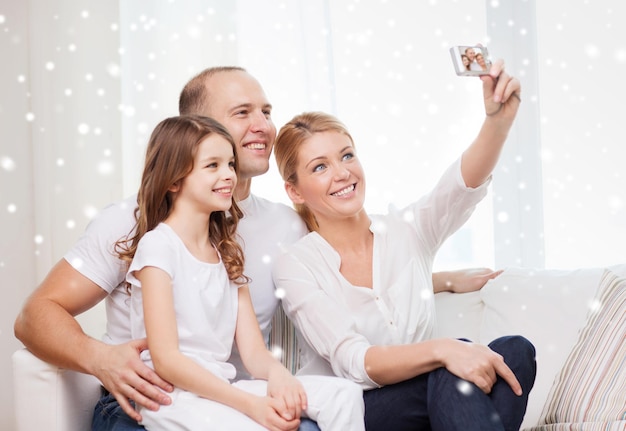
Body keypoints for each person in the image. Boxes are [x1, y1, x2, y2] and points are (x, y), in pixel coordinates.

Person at [14, 66, 501, 431]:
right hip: (152, 402)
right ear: (193, 133)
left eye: (266, 111)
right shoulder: (132, 223)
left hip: (236, 394)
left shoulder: (286, 225)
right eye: (242, 112)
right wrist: (100, 358)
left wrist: (438, 278)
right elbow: (35, 316)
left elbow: (345, 264)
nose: (264, 125)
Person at [271, 59, 536, 431]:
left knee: (515, 351)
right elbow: (354, 361)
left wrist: (497, 122)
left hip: (436, 398)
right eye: (320, 167)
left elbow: (459, 190)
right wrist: (443, 349)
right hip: (360, 410)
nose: (342, 172)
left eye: (347, 155)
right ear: (294, 190)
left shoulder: (405, 232)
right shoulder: (296, 265)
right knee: (451, 364)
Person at [116, 114, 364, 430]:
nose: (229, 175)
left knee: (343, 395)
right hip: (173, 398)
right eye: (212, 165)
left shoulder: (227, 252)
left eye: (230, 164)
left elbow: (253, 353)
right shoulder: (158, 247)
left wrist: (279, 377)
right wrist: (252, 406)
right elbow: (166, 360)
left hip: (223, 387)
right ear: (174, 180)